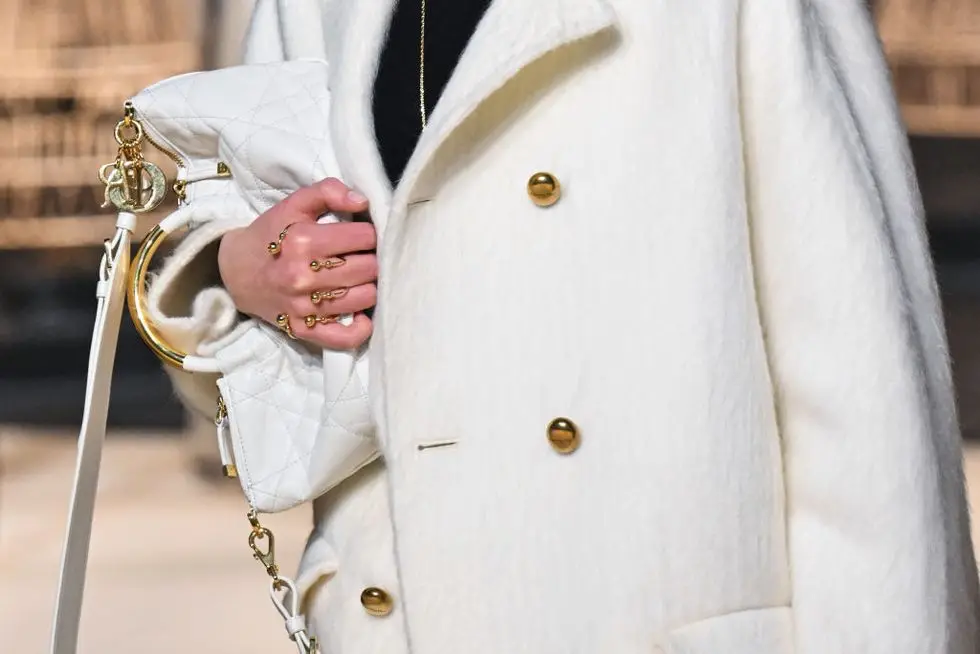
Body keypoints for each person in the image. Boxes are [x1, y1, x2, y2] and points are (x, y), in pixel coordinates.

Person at [151, 0, 980, 651]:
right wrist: (236, 271)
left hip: (652, 617)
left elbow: (863, 381)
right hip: (398, 616)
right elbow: (255, 354)